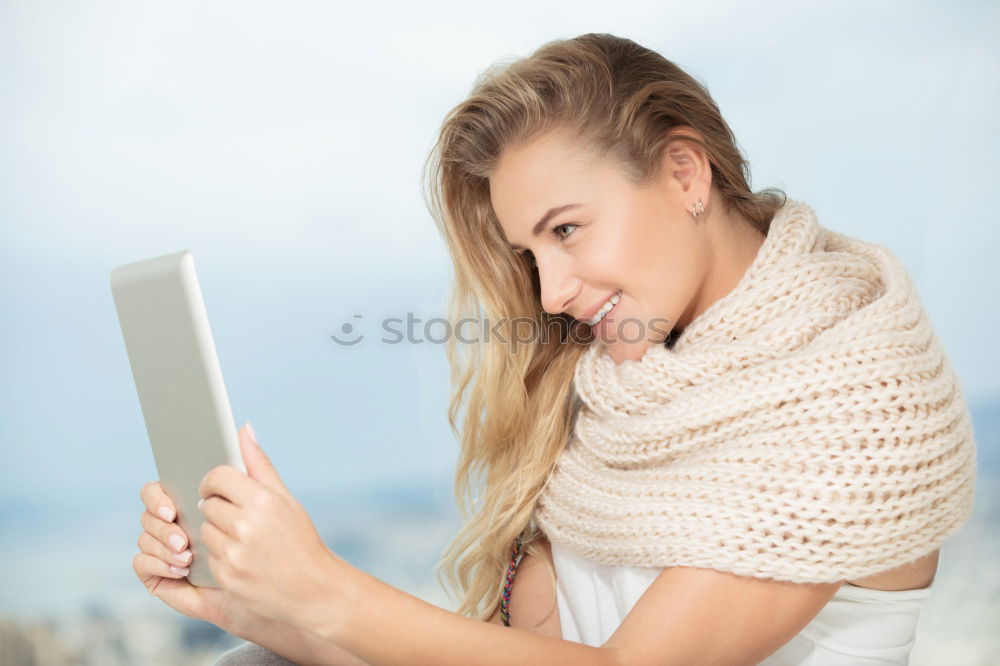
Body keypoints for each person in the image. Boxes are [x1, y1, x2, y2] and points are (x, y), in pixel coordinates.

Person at [133, 33, 976, 665]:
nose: (551, 294)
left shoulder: (855, 396)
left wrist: (325, 588)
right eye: (531, 255)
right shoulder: (627, 388)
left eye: (567, 230)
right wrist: (261, 605)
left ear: (685, 174)